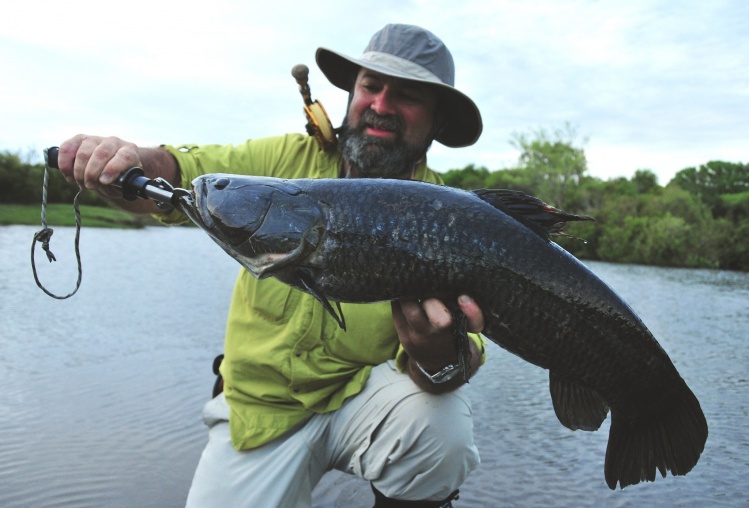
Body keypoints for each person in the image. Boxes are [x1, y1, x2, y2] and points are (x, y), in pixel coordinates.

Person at [58, 24, 487, 508]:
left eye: (406, 95)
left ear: (437, 121)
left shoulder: (450, 215)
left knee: (441, 427)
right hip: (257, 412)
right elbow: (182, 173)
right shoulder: (282, 161)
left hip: (364, 400)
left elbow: (462, 358)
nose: (381, 105)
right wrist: (129, 162)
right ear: (352, 93)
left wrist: (438, 358)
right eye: (370, 86)